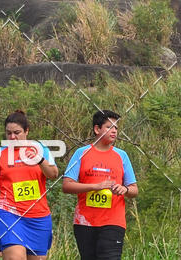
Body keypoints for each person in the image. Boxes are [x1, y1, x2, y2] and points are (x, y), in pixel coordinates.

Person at [0, 110, 58, 260]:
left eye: (17, 132)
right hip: (8, 213)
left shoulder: (40, 149)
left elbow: (53, 175)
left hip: (38, 216)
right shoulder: (0, 153)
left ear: (27, 131)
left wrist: (40, 160)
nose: (12, 137)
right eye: (8, 133)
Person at [62, 110, 138, 260]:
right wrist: (95, 186)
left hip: (113, 221)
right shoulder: (81, 153)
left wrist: (125, 189)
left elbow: (134, 189)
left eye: (116, 127)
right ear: (97, 129)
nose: (114, 131)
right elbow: (67, 185)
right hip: (85, 221)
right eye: (109, 127)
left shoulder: (122, 155)